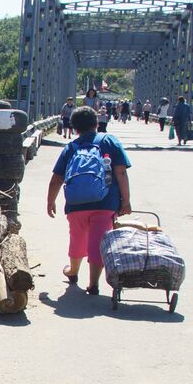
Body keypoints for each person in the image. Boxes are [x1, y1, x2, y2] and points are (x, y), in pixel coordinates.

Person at [47, 105, 133, 296]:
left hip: (76, 204)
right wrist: (125, 201)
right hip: (106, 202)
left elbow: (56, 179)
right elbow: (120, 171)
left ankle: (73, 271)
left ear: (74, 127)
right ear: (97, 123)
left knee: (77, 237)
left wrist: (50, 201)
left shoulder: (71, 147)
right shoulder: (109, 141)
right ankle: (93, 283)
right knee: (98, 241)